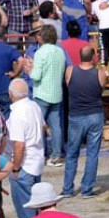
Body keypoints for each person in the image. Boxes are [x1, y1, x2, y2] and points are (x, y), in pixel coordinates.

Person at [63, 46, 106, 198]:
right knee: (92, 153)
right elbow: (102, 88)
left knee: (72, 153)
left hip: (76, 116)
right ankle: (87, 189)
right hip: (95, 115)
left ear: (80, 56)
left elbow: (68, 87)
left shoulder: (70, 71)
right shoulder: (100, 73)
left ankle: (68, 189)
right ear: (93, 57)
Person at [25, 25, 66, 167]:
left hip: (42, 93)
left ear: (42, 37)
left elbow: (35, 76)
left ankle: (40, 154)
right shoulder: (60, 52)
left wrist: (29, 68)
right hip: (56, 93)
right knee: (56, 126)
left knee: (38, 126)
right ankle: (57, 155)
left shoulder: (40, 53)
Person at [6, 78, 44, 218]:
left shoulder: (17, 114)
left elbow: (19, 145)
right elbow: (43, 127)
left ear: (10, 94)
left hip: (25, 165)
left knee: (26, 212)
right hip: (36, 161)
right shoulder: (34, 106)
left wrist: (15, 168)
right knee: (37, 206)